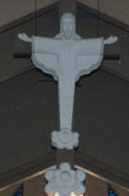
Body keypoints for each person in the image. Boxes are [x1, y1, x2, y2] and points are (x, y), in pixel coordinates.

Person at [18, 12, 118, 150]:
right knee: (64, 97)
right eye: (65, 25)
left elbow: (92, 45)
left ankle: (66, 129)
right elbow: (41, 43)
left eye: (71, 25)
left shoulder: (78, 45)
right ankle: (65, 129)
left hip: (70, 78)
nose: (68, 28)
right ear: (61, 27)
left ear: (75, 27)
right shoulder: (56, 45)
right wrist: (30, 41)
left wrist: (104, 43)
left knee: (67, 98)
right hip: (63, 78)